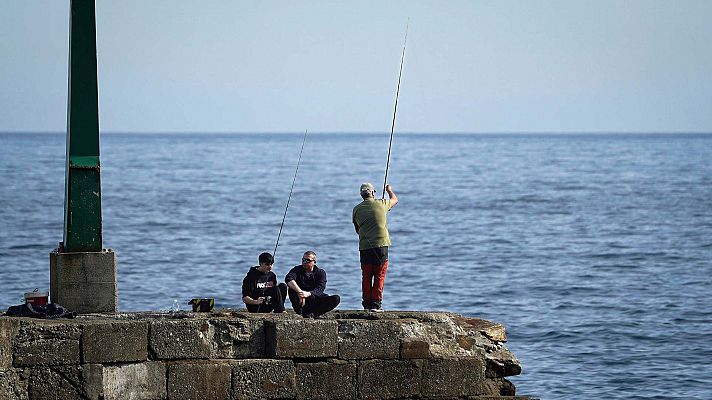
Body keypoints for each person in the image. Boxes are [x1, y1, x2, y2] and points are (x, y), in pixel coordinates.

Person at [352, 182, 398, 311]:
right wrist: (389, 190)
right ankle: (376, 305)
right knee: (379, 275)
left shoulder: (356, 209)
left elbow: (357, 229)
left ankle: (367, 304)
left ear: (361, 195)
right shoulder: (382, 204)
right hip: (381, 246)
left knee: (366, 276)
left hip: (365, 247)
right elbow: (395, 200)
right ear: (372, 193)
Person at [285, 251, 340, 318]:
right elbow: (288, 279)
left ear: (314, 262)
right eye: (303, 260)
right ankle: (300, 312)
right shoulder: (297, 270)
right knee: (291, 289)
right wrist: (300, 292)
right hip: (301, 300)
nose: (304, 262)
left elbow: (320, 289)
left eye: (307, 260)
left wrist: (308, 294)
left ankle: (313, 314)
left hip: (314, 299)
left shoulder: (320, 273)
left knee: (335, 299)